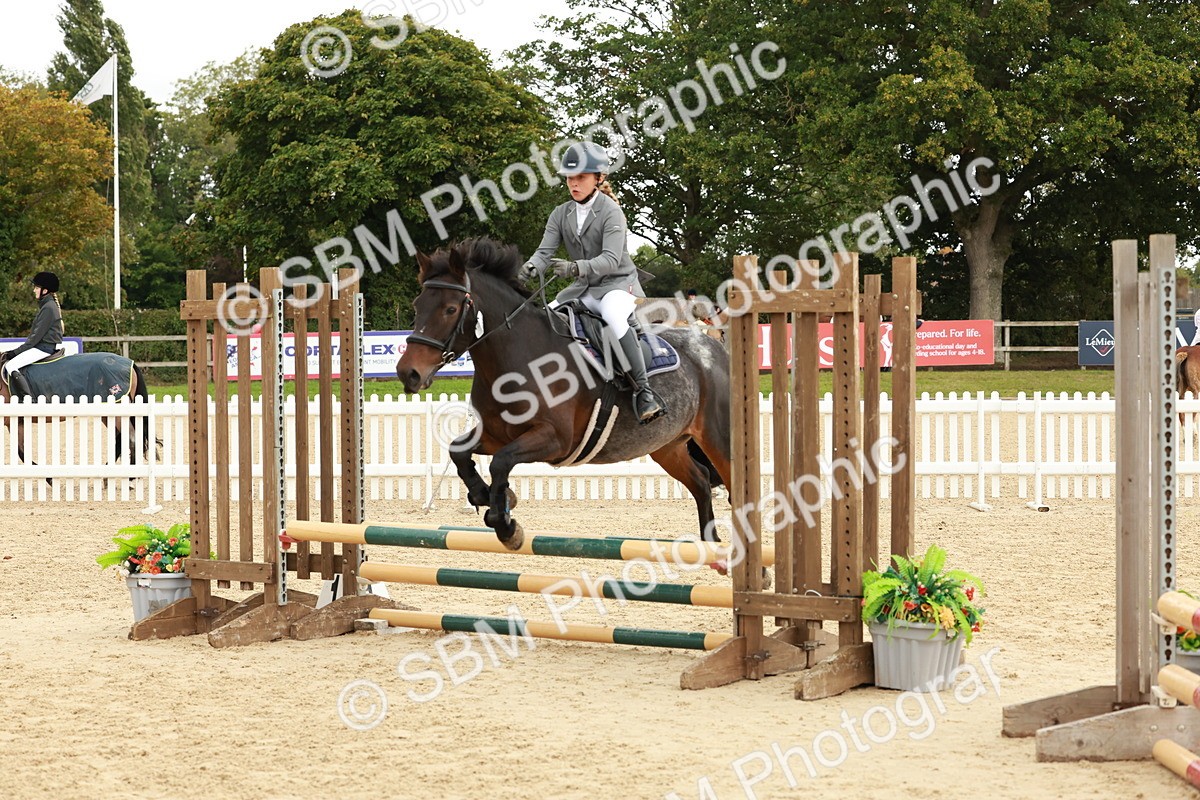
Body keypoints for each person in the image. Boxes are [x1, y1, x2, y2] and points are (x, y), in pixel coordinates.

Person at [520, 142, 665, 422]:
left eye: (581, 177)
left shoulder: (611, 211)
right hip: (584, 288)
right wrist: (530, 266)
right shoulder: (560, 213)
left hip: (617, 284)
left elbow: (611, 259)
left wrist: (575, 268)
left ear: (599, 178)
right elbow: (544, 251)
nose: (574, 183)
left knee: (613, 315)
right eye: (569, 178)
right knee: (545, 317)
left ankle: (644, 392)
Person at [4, 272, 64, 397]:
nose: (34, 290)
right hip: (42, 347)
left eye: (36, 287)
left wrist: (15, 352)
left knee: (11, 365)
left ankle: (28, 399)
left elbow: (35, 338)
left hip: (43, 348)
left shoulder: (48, 308)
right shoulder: (47, 306)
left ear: (45, 290)